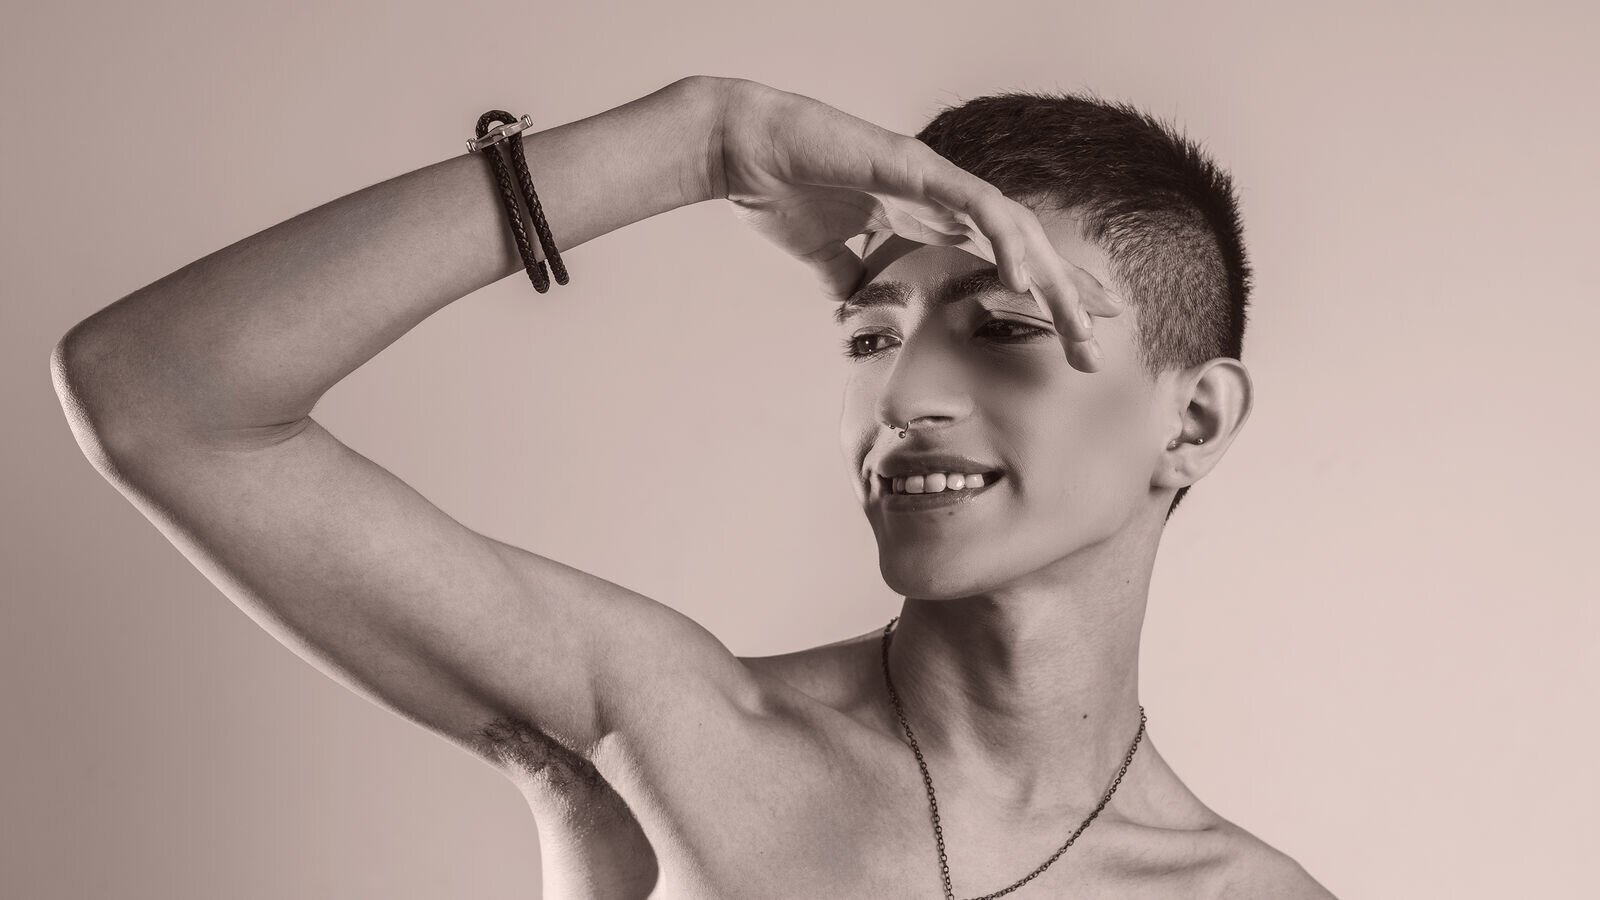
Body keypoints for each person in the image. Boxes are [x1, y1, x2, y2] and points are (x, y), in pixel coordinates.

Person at [51, 75, 1335, 898]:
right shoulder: (663, 734)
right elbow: (159, 395)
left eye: (1002, 328)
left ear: (1194, 420)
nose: (902, 396)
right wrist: (699, 142)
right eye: (870, 337)